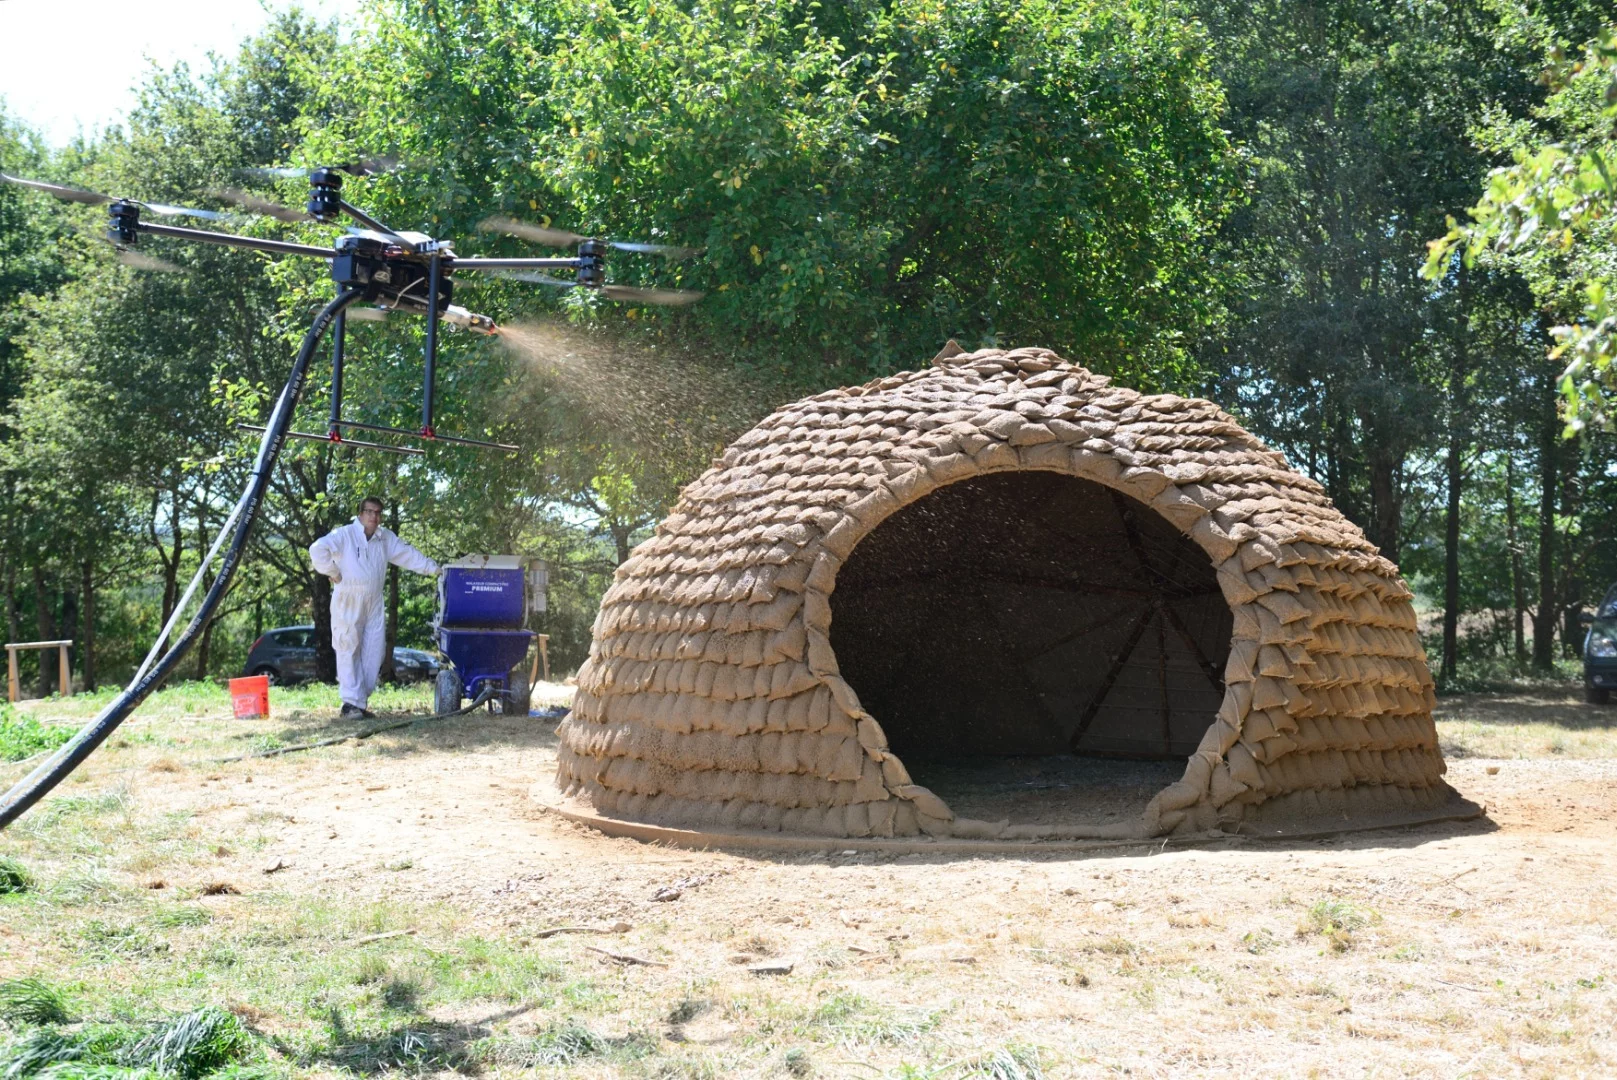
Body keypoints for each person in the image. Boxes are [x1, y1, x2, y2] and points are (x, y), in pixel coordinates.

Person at [309, 497, 439, 718]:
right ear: (360, 513)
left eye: (378, 512)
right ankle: (350, 704)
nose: (374, 516)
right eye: (369, 511)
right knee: (348, 647)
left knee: (374, 652)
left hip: (374, 601)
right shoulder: (345, 534)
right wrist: (334, 573)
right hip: (348, 597)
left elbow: (408, 555)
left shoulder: (384, 538)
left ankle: (360, 703)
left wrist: (436, 570)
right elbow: (317, 549)